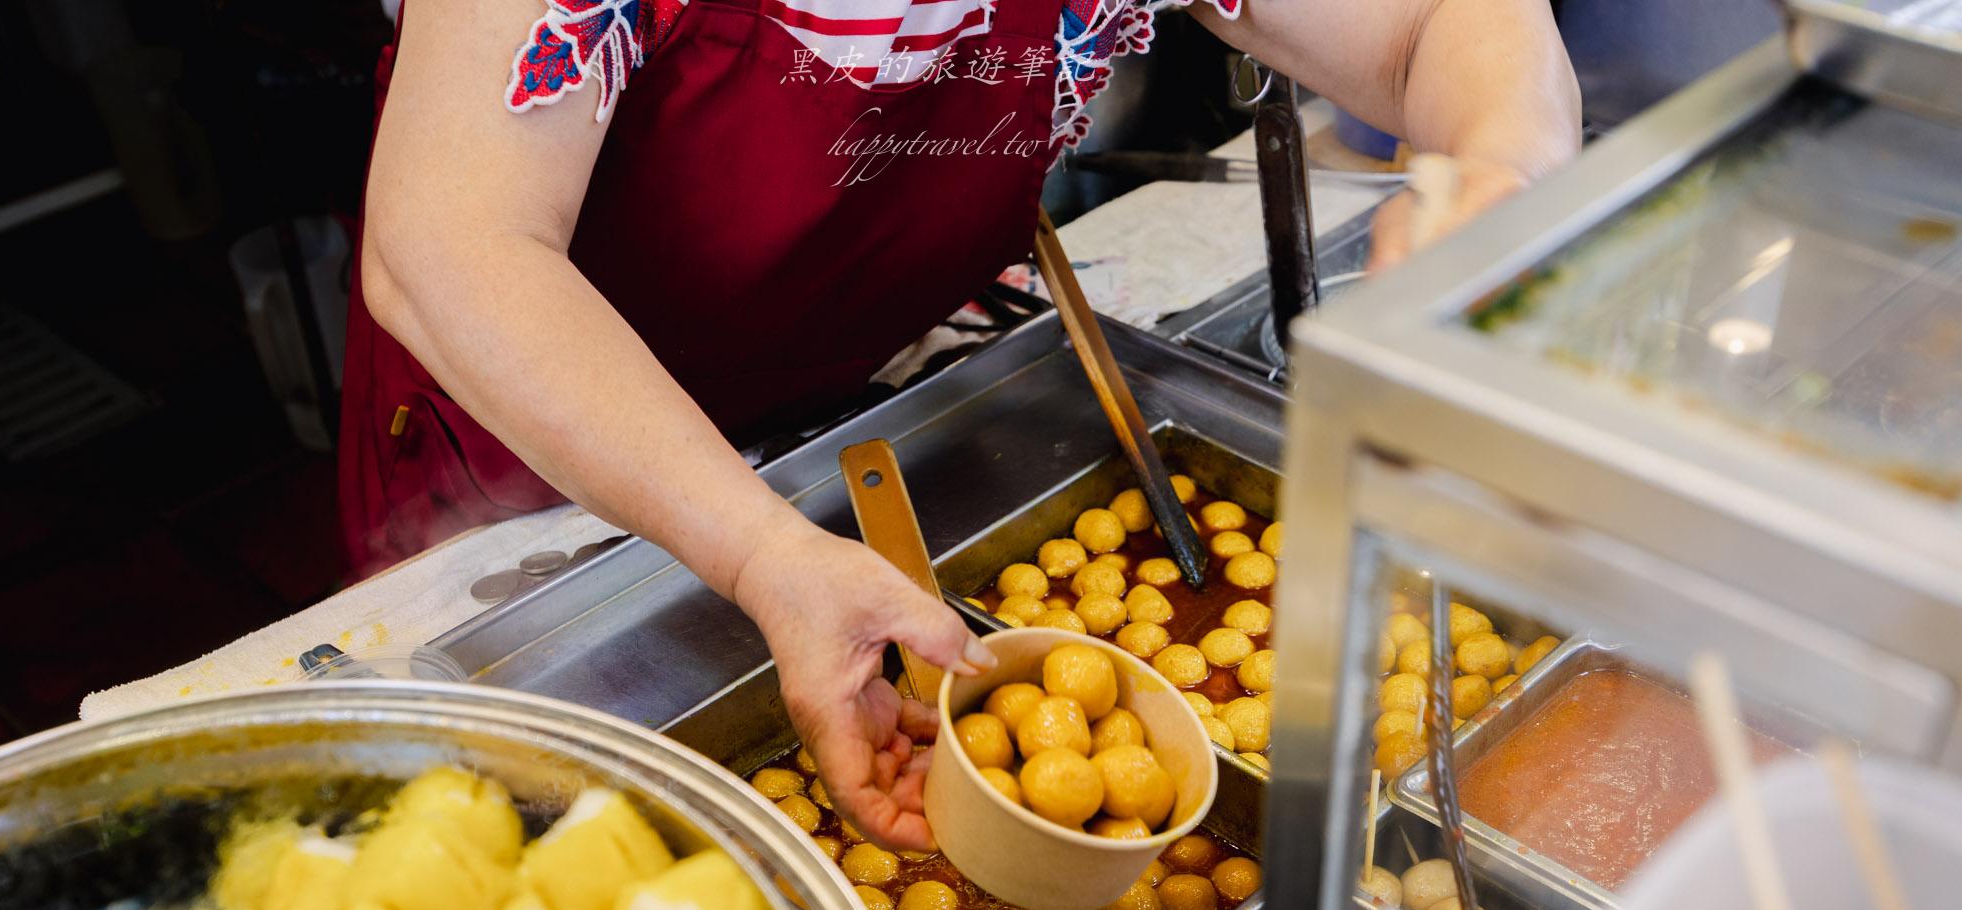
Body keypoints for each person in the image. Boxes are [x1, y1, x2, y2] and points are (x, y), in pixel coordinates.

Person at [345, 0, 1579, 847]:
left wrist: (1497, 180)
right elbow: (450, 240)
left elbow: (1433, 26)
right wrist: (759, 550)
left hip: (855, 372)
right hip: (536, 454)